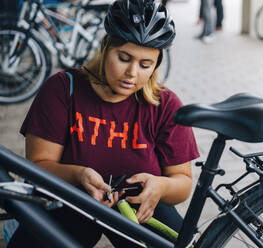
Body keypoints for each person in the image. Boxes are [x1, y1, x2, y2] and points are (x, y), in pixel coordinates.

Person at [8, 0, 199, 247]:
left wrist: (161, 186)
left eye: (145, 65)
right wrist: (78, 173)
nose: (132, 73)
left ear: (156, 65)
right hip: (70, 200)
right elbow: (38, 167)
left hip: (138, 207)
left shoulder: (165, 105)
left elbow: (182, 182)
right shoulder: (63, 88)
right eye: (124, 57)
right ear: (105, 48)